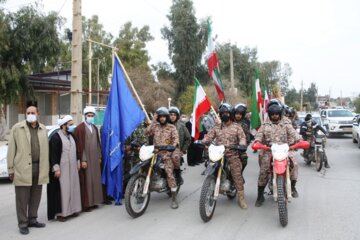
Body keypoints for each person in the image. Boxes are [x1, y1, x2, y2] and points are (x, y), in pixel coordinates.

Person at [7, 101, 49, 235]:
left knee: (35, 197)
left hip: (39, 168)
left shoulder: (43, 129)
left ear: (38, 114)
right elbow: (11, 150)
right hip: (22, 169)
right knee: (22, 198)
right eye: (28, 113)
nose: (30, 115)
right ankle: (23, 223)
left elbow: (46, 151)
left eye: (33, 113)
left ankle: (32, 219)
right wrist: (10, 169)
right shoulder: (17, 128)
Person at [254, 99, 301, 207]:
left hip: (286, 150)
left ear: (280, 114)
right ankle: (260, 196)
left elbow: (294, 134)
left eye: (276, 114)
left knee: (294, 164)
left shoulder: (286, 123)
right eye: (272, 114)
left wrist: (299, 140)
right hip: (269, 151)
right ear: (269, 114)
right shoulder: (265, 124)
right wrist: (257, 142)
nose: (275, 116)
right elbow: (259, 135)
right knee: (263, 172)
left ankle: (292, 186)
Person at [202, 103, 248, 209]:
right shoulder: (216, 127)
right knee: (209, 168)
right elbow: (209, 137)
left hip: (232, 155)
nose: (224, 115)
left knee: (237, 174)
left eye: (227, 113)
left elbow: (242, 138)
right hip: (218, 154)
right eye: (222, 113)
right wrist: (202, 141)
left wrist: (241, 144)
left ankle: (241, 199)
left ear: (231, 114)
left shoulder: (237, 127)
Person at [47, 115, 81, 222]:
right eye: (70, 124)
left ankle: (73, 210)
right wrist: (56, 168)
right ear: (63, 126)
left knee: (73, 188)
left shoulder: (72, 136)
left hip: (73, 168)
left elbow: (77, 151)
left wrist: (78, 162)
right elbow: (53, 155)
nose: (72, 126)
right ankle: (62, 213)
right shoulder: (56, 138)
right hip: (62, 169)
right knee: (63, 191)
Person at [145, 107, 180, 209]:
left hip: (167, 152)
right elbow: (146, 133)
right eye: (160, 117)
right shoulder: (155, 126)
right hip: (156, 152)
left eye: (164, 116)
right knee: (145, 167)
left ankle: (174, 198)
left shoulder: (171, 127)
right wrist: (153, 121)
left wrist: (171, 148)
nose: (162, 118)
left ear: (167, 117)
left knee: (169, 173)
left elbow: (176, 139)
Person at [73, 106, 103, 211]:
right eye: (88, 116)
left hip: (95, 158)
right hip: (86, 159)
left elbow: (98, 143)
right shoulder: (80, 128)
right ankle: (87, 204)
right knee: (87, 181)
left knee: (95, 180)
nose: (90, 117)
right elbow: (79, 146)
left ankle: (95, 202)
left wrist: (99, 156)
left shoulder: (94, 127)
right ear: (85, 116)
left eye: (92, 116)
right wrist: (83, 159)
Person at [169, 106, 191, 184]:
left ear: (177, 116)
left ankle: (178, 175)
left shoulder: (181, 126)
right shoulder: (164, 125)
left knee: (175, 158)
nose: (172, 116)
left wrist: (183, 150)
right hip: (164, 148)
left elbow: (188, 138)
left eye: (174, 115)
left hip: (177, 149)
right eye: (171, 114)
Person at [234, 103, 251, 177]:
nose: (238, 115)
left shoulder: (244, 125)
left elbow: (247, 138)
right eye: (237, 113)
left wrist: (243, 146)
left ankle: (239, 175)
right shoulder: (228, 122)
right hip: (225, 146)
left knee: (244, 159)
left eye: (240, 114)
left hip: (238, 148)